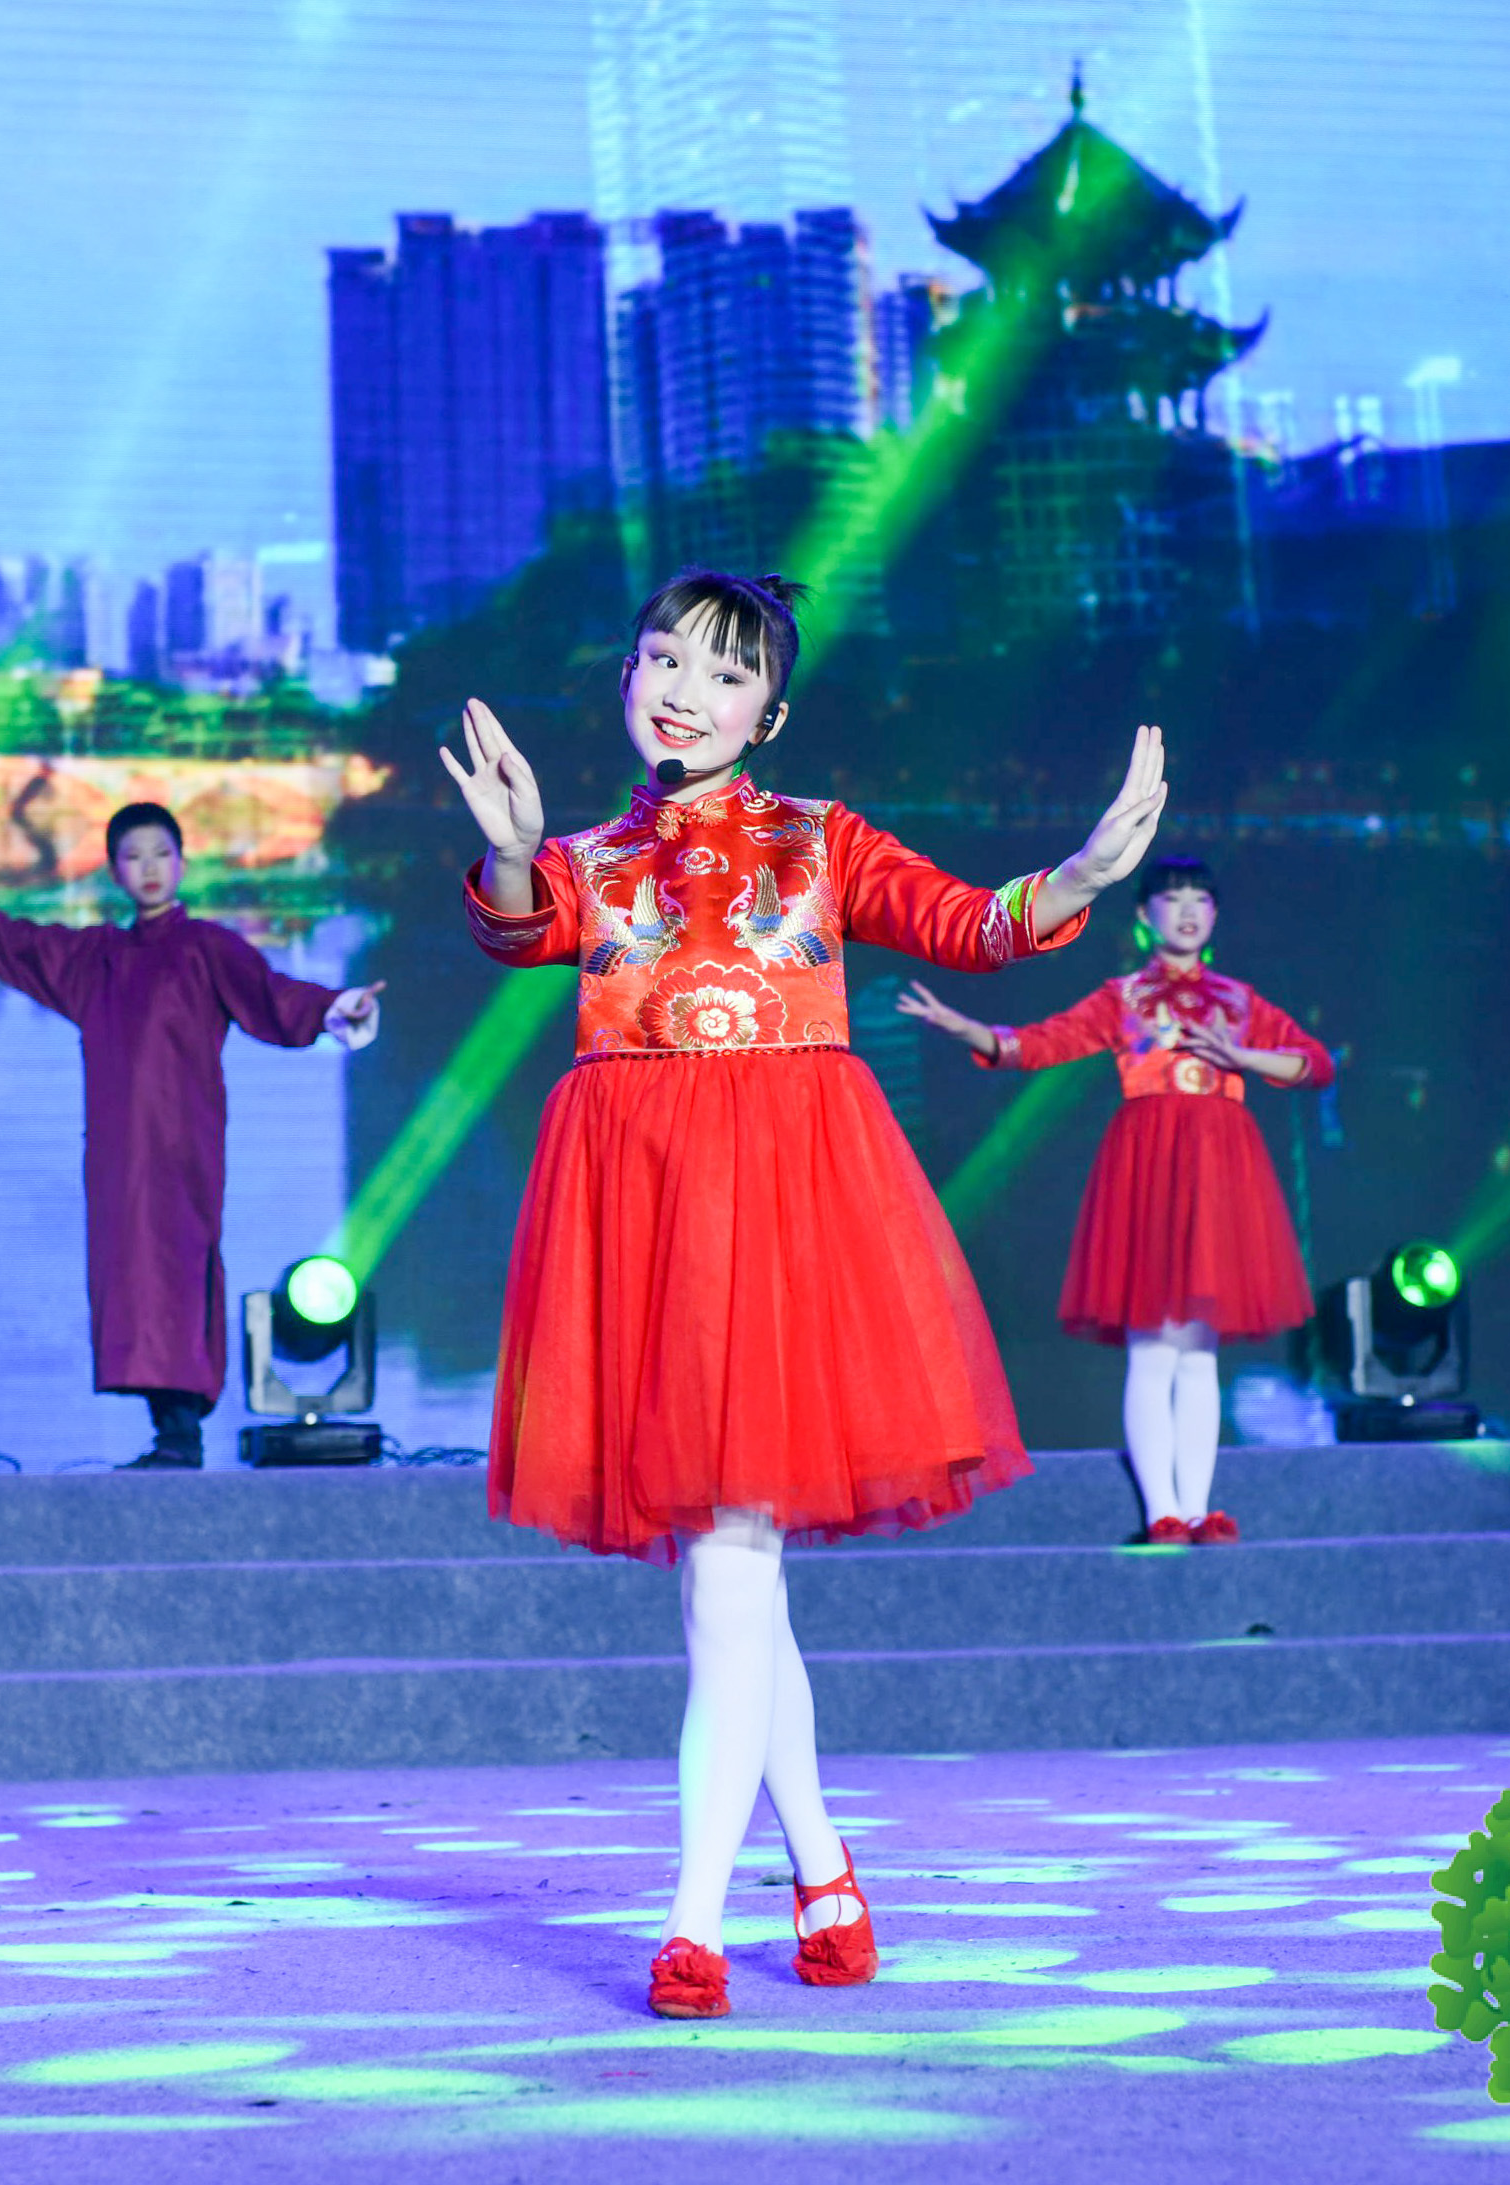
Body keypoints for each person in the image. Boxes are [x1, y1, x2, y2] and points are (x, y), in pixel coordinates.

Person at [444, 570, 1165, 2020]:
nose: (683, 693)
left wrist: (1083, 877)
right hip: (641, 1212)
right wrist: (515, 853)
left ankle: (693, 1923)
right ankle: (825, 1868)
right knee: (733, 1582)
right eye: (663, 660)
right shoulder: (588, 856)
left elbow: (970, 925)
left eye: (724, 675)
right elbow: (519, 933)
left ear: (768, 713)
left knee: (729, 1571)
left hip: (782, 1218)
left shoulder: (822, 840)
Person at [0, 798, 382, 1467]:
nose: (149, 867)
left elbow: (272, 995)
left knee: (177, 1269)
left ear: (181, 862)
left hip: (182, 1146)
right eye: (133, 856)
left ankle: (181, 1434)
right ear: (114, 872)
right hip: (119, 1153)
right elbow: (11, 942)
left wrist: (335, 1007)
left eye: (161, 853)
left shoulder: (206, 948)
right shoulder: (94, 958)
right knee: (133, 1277)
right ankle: (169, 1433)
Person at [897, 857, 1330, 1545]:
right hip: (1150, 1169)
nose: (1186, 911)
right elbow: (1036, 1045)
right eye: (1171, 899)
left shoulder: (1241, 1002)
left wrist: (1244, 1059)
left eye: (1199, 900)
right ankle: (1162, 1512)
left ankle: (1198, 1509)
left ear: (1215, 915)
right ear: (1143, 916)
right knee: (1154, 1348)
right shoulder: (1123, 997)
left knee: (1199, 1353)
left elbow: (1315, 1064)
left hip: (1221, 1171)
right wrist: (965, 1028)